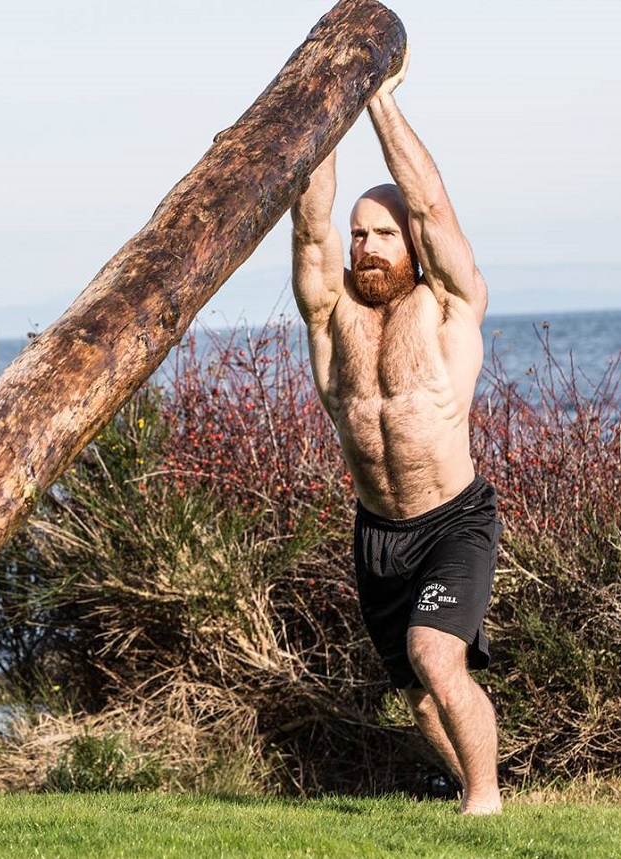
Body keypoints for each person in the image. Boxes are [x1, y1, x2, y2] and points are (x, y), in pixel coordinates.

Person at [290, 48, 503, 815]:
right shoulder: (333, 313)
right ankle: (475, 788)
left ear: (411, 240)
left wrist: (375, 99)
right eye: (359, 235)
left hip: (453, 521)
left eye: (382, 233)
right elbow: (309, 228)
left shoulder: (450, 302)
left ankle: (484, 805)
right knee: (418, 697)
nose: (366, 247)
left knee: (435, 656)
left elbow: (435, 203)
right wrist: (324, 105)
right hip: (377, 533)